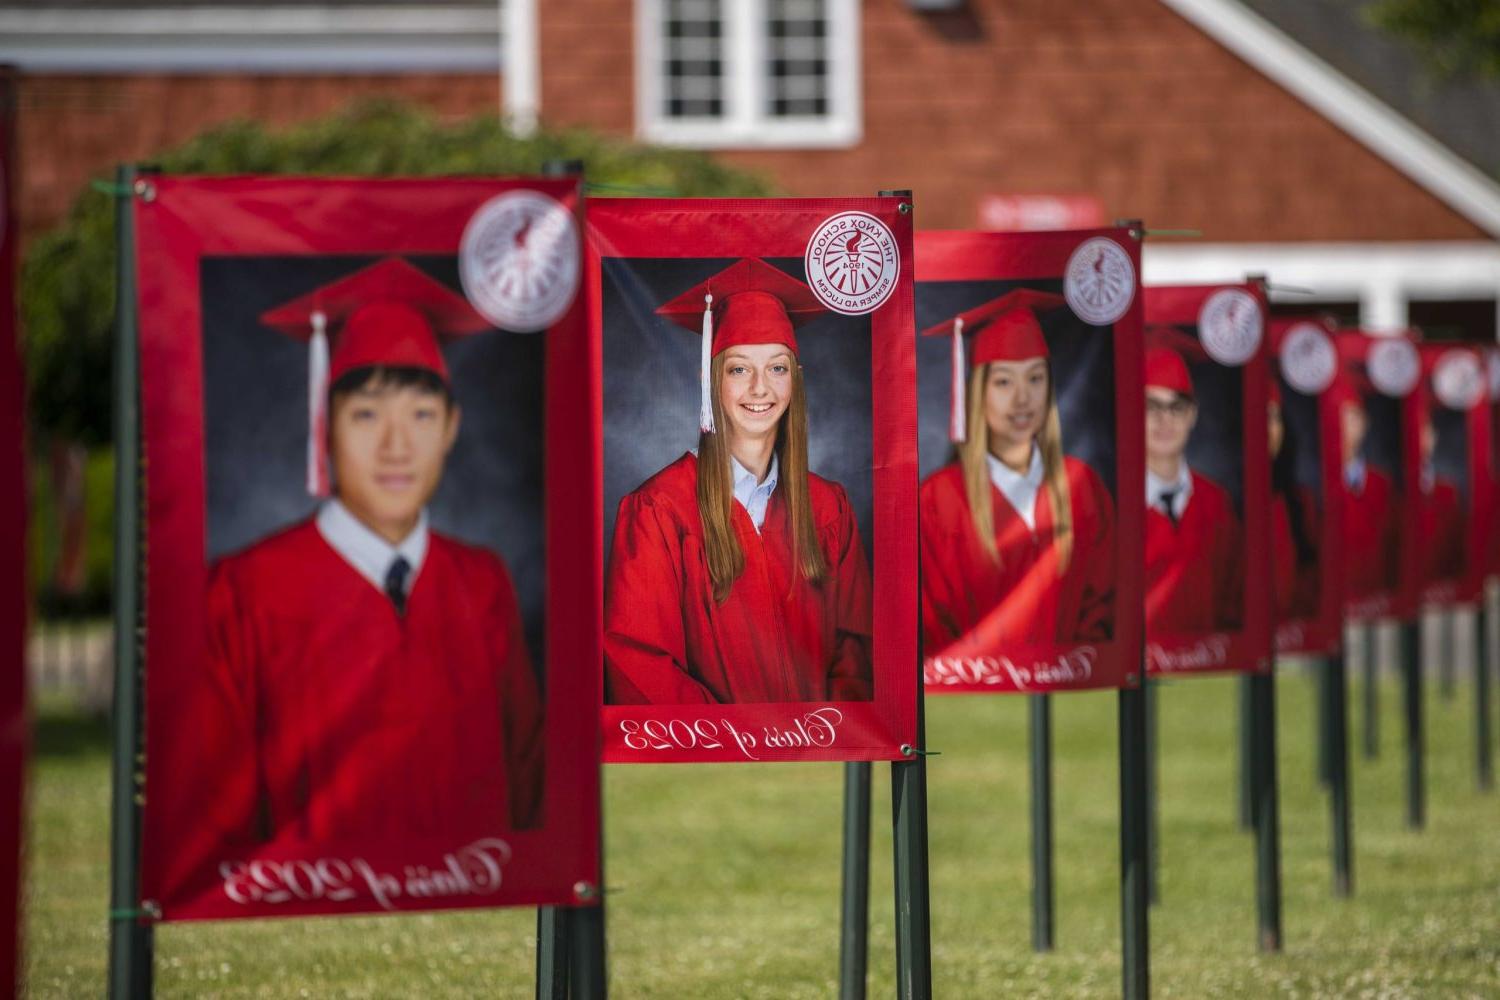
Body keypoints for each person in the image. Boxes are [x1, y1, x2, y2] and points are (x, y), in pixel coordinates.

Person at [205, 257, 544, 847]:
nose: (396, 446)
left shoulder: (481, 582)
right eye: (366, 415)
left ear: (451, 427)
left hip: (471, 894)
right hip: (313, 899)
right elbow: (218, 806)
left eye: (420, 414)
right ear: (324, 428)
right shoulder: (246, 587)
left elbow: (526, 769)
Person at [604, 258, 874, 705]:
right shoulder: (659, 508)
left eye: (777, 368)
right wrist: (735, 744)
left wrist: (827, 743)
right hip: (713, 764)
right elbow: (641, 664)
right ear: (709, 381)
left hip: (817, 759)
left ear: (796, 380)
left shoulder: (828, 507)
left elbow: (855, 653)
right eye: (738, 369)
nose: (760, 389)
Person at [917, 289, 1115, 655]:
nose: (1023, 398)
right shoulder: (937, 498)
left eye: (1035, 379)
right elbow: (931, 619)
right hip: (973, 695)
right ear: (978, 393)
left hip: (1069, 684)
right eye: (1004, 382)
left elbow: (1103, 603)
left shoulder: (1081, 485)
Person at [1143, 334, 1244, 633]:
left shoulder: (1216, 502)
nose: (1165, 421)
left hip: (1206, 666)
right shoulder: (1114, 506)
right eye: (1152, 407)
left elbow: (1233, 599)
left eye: (1176, 408)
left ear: (1192, 415)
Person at [1334, 371, 1397, 605]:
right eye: (1337, 417)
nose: (1343, 426)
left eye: (1351, 417)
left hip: (1377, 601)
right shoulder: (1316, 491)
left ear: (1364, 424)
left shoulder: (1382, 484)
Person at [1268, 379, 1320, 621]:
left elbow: (1309, 580)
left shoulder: (1300, 502)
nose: (1268, 428)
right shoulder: (1223, 504)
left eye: (1274, 417)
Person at [1417, 412, 1464, 593]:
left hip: (1442, 581)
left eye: (1426, 432)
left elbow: (1454, 540)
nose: (1422, 437)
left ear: (1434, 438)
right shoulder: (1393, 487)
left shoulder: (1448, 490)